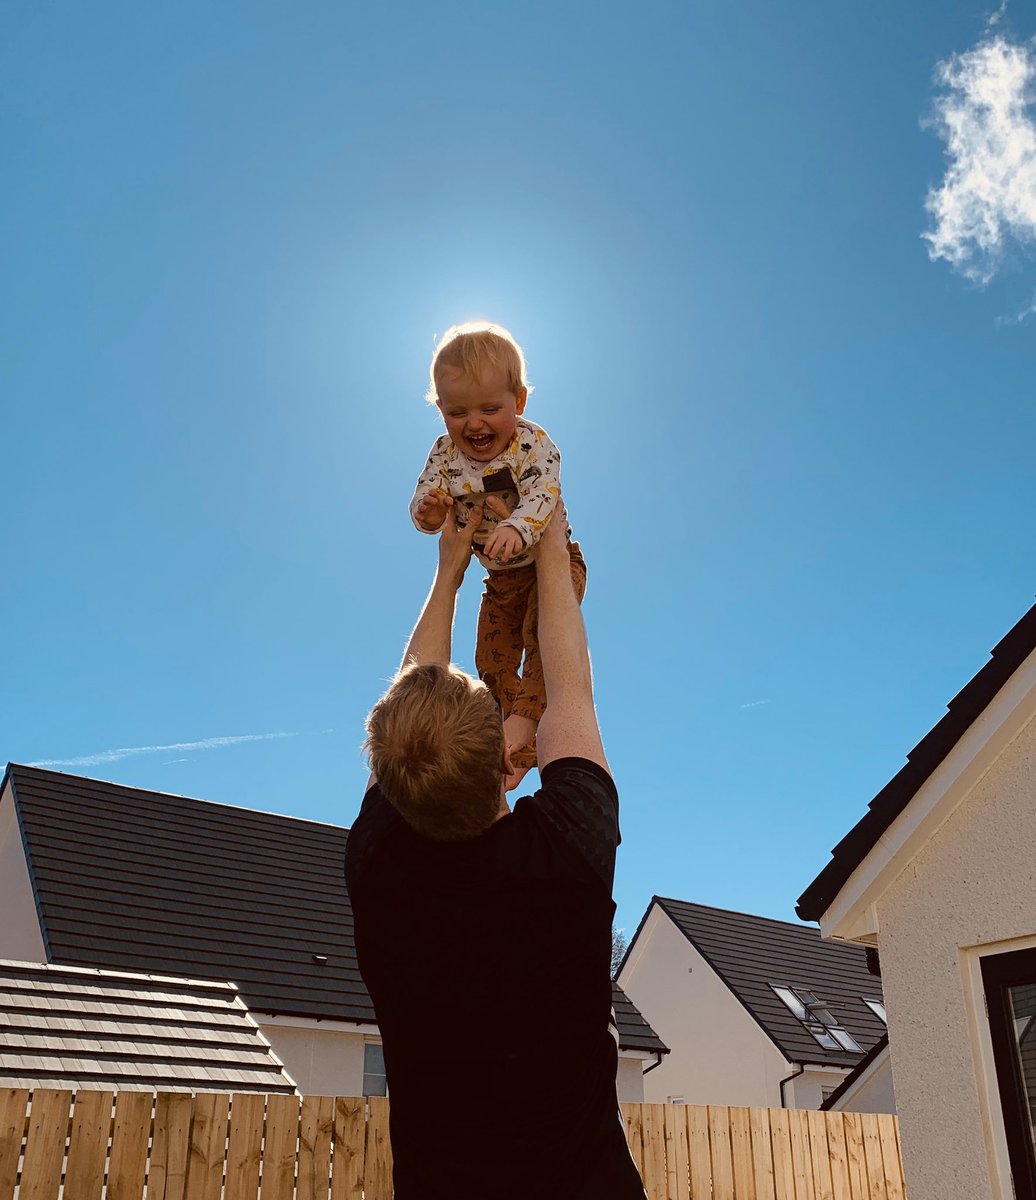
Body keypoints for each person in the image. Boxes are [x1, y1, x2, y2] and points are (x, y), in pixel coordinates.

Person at [345, 503, 646, 1200]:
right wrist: (548, 538)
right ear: (504, 762)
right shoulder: (563, 850)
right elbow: (570, 684)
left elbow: (411, 711)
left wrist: (450, 573)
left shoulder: (378, 869)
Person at [409, 321, 586, 789]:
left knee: (545, 641)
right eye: (457, 412)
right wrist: (428, 513)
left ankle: (527, 723)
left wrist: (516, 526)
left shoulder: (533, 444)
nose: (474, 424)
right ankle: (512, 735)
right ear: (441, 409)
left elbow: (545, 493)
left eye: (490, 408)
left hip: (552, 564)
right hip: (501, 579)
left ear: (519, 402)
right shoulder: (444, 455)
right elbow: (426, 497)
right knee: (490, 654)